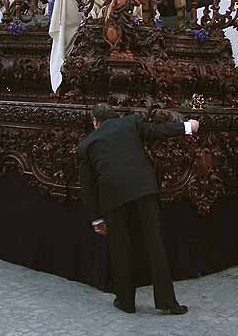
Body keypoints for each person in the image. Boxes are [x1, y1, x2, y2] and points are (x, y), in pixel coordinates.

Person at [77, 103, 199, 315]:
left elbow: (87, 188)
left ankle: (126, 301)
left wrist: (96, 219)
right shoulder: (131, 122)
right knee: (155, 244)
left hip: (113, 195)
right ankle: (168, 302)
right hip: (143, 188)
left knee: (120, 247)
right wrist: (188, 126)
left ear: (95, 122)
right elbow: (157, 132)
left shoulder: (87, 144)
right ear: (115, 116)